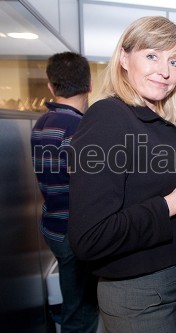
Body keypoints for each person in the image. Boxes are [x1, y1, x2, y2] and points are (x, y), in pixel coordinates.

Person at [67, 16, 176, 333]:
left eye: (174, 61)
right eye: (152, 55)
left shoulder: (159, 124)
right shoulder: (108, 116)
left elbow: (151, 187)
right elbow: (90, 238)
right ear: (124, 58)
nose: (165, 71)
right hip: (140, 290)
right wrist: (174, 203)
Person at [31, 52, 99, 332]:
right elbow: (92, 188)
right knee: (81, 313)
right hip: (75, 232)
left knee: (75, 301)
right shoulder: (81, 129)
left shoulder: (41, 125)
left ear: (51, 86)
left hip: (53, 227)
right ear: (90, 84)